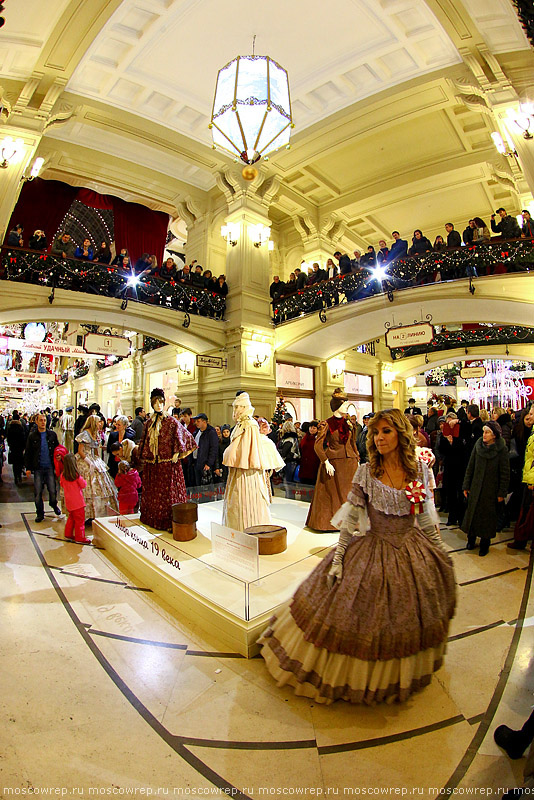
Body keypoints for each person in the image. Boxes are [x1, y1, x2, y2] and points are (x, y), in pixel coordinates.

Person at [260, 408, 456, 704]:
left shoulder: (419, 470)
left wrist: (438, 549)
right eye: (375, 432)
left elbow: (425, 517)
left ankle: (394, 677)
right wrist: (338, 558)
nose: (378, 438)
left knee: (406, 616)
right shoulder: (366, 472)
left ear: (401, 434)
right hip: (373, 547)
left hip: (410, 548)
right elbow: (351, 520)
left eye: (386, 431)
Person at [138, 388, 196, 532]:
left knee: (168, 494)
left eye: (161, 402)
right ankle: (151, 517)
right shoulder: (148, 423)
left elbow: (185, 436)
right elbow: (144, 442)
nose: (158, 405)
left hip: (167, 464)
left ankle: (170, 520)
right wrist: (145, 456)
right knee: (153, 493)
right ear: (152, 404)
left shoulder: (171, 422)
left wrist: (177, 451)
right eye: (155, 402)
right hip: (153, 465)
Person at [222, 393, 281, 531]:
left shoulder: (250, 425)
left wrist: (238, 458)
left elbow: (250, 449)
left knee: (248, 499)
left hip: (248, 469)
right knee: (236, 500)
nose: (235, 410)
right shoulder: (240, 425)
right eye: (235, 406)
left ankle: (250, 528)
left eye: (238, 407)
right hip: (238, 469)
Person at [306, 392, 359, 532]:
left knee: (351, 493)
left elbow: (353, 443)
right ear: (338, 405)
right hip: (334, 464)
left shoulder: (349, 423)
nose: (348, 406)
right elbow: (318, 445)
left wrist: (357, 458)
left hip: (350, 464)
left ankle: (351, 522)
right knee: (332, 494)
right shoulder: (326, 424)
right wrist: (325, 461)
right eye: (345, 403)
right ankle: (329, 523)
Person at [461, 420, 509, 556]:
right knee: (473, 514)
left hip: (491, 490)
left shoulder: (501, 450)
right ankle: (471, 539)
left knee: (487, 517)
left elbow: (505, 473)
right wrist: (466, 485)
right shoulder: (478, 445)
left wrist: (501, 492)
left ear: (494, 435)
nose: (484, 434)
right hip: (475, 487)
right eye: (483, 431)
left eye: (487, 432)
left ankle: (484, 543)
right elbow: (470, 466)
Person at [75, 416, 118, 521]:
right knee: (87, 485)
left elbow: (95, 450)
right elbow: (80, 450)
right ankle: (85, 513)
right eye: (99, 422)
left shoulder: (96, 433)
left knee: (101, 484)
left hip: (94, 459)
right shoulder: (85, 434)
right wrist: (89, 462)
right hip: (85, 459)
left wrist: (97, 461)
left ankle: (97, 513)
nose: (101, 424)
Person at [24, 413, 64, 523]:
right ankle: (40, 513)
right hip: (38, 468)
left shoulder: (52, 435)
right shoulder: (32, 436)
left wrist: (59, 456)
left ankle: (53, 504)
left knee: (52, 490)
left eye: (44, 420)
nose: (43, 422)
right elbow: (28, 452)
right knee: (38, 492)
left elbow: (57, 448)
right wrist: (28, 468)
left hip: (50, 467)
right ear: (36, 422)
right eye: (40, 420)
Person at [60, 453, 90, 544]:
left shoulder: (63, 476)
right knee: (80, 521)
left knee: (71, 518)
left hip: (69, 502)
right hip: (78, 503)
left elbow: (62, 484)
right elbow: (83, 485)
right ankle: (80, 537)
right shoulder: (76, 476)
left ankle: (68, 533)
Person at [191, 412, 219, 488]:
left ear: (204, 421)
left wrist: (209, 463)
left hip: (205, 463)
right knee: (197, 484)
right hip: (196, 461)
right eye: (195, 421)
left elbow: (213, 449)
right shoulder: (196, 432)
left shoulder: (211, 432)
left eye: (198, 421)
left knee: (206, 487)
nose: (196, 423)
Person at [106, 415, 135, 479]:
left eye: (119, 425)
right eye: (116, 424)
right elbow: (109, 448)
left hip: (124, 464)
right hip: (113, 462)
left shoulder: (129, 437)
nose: (116, 426)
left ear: (125, 426)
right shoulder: (112, 435)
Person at [277, 420, 301, 497]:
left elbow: (284, 453)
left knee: (288, 484)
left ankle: (289, 499)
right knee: (291, 484)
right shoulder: (295, 438)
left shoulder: (288, 439)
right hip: (294, 461)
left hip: (289, 462)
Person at [7, 410, 26, 484]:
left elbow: (8, 437)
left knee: (14, 464)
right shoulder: (20, 426)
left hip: (13, 447)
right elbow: (23, 437)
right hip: (20, 448)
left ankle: (15, 477)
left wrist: (10, 444)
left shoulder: (10, 426)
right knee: (20, 462)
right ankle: (19, 476)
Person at [298, 420, 320, 485]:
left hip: (314, 465)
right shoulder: (305, 437)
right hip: (304, 464)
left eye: (314, 428)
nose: (311, 429)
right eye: (310, 427)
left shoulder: (318, 438)